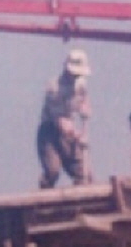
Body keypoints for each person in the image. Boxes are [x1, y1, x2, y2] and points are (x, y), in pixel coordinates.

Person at [37, 47, 93, 188]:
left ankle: (82, 198)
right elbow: (60, 121)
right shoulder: (54, 87)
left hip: (68, 131)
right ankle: (44, 194)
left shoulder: (80, 85)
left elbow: (84, 101)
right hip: (50, 132)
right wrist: (75, 134)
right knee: (53, 171)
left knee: (84, 173)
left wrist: (85, 110)